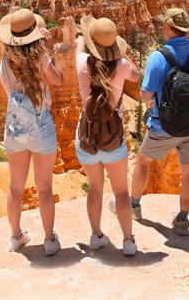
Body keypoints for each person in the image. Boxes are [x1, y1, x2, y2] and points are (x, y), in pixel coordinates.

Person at [113, 8, 189, 236]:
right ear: (186, 29)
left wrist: (149, 100)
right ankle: (182, 220)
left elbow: (146, 96)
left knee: (143, 161)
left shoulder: (159, 56)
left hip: (164, 125)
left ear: (168, 28)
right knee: (188, 172)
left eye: (163, 25)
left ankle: (134, 206)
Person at [0, 8, 64, 256]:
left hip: (15, 129)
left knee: (16, 187)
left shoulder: (4, 63)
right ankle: (49, 240)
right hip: (41, 128)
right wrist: (49, 49)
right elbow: (57, 80)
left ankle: (16, 237)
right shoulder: (40, 59)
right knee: (44, 188)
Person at [74, 17, 141, 256]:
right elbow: (136, 74)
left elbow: (79, 47)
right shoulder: (122, 65)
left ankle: (96, 236)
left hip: (87, 136)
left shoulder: (81, 62)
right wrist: (123, 53)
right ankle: (129, 241)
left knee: (95, 189)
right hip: (113, 137)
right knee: (121, 192)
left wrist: (83, 38)